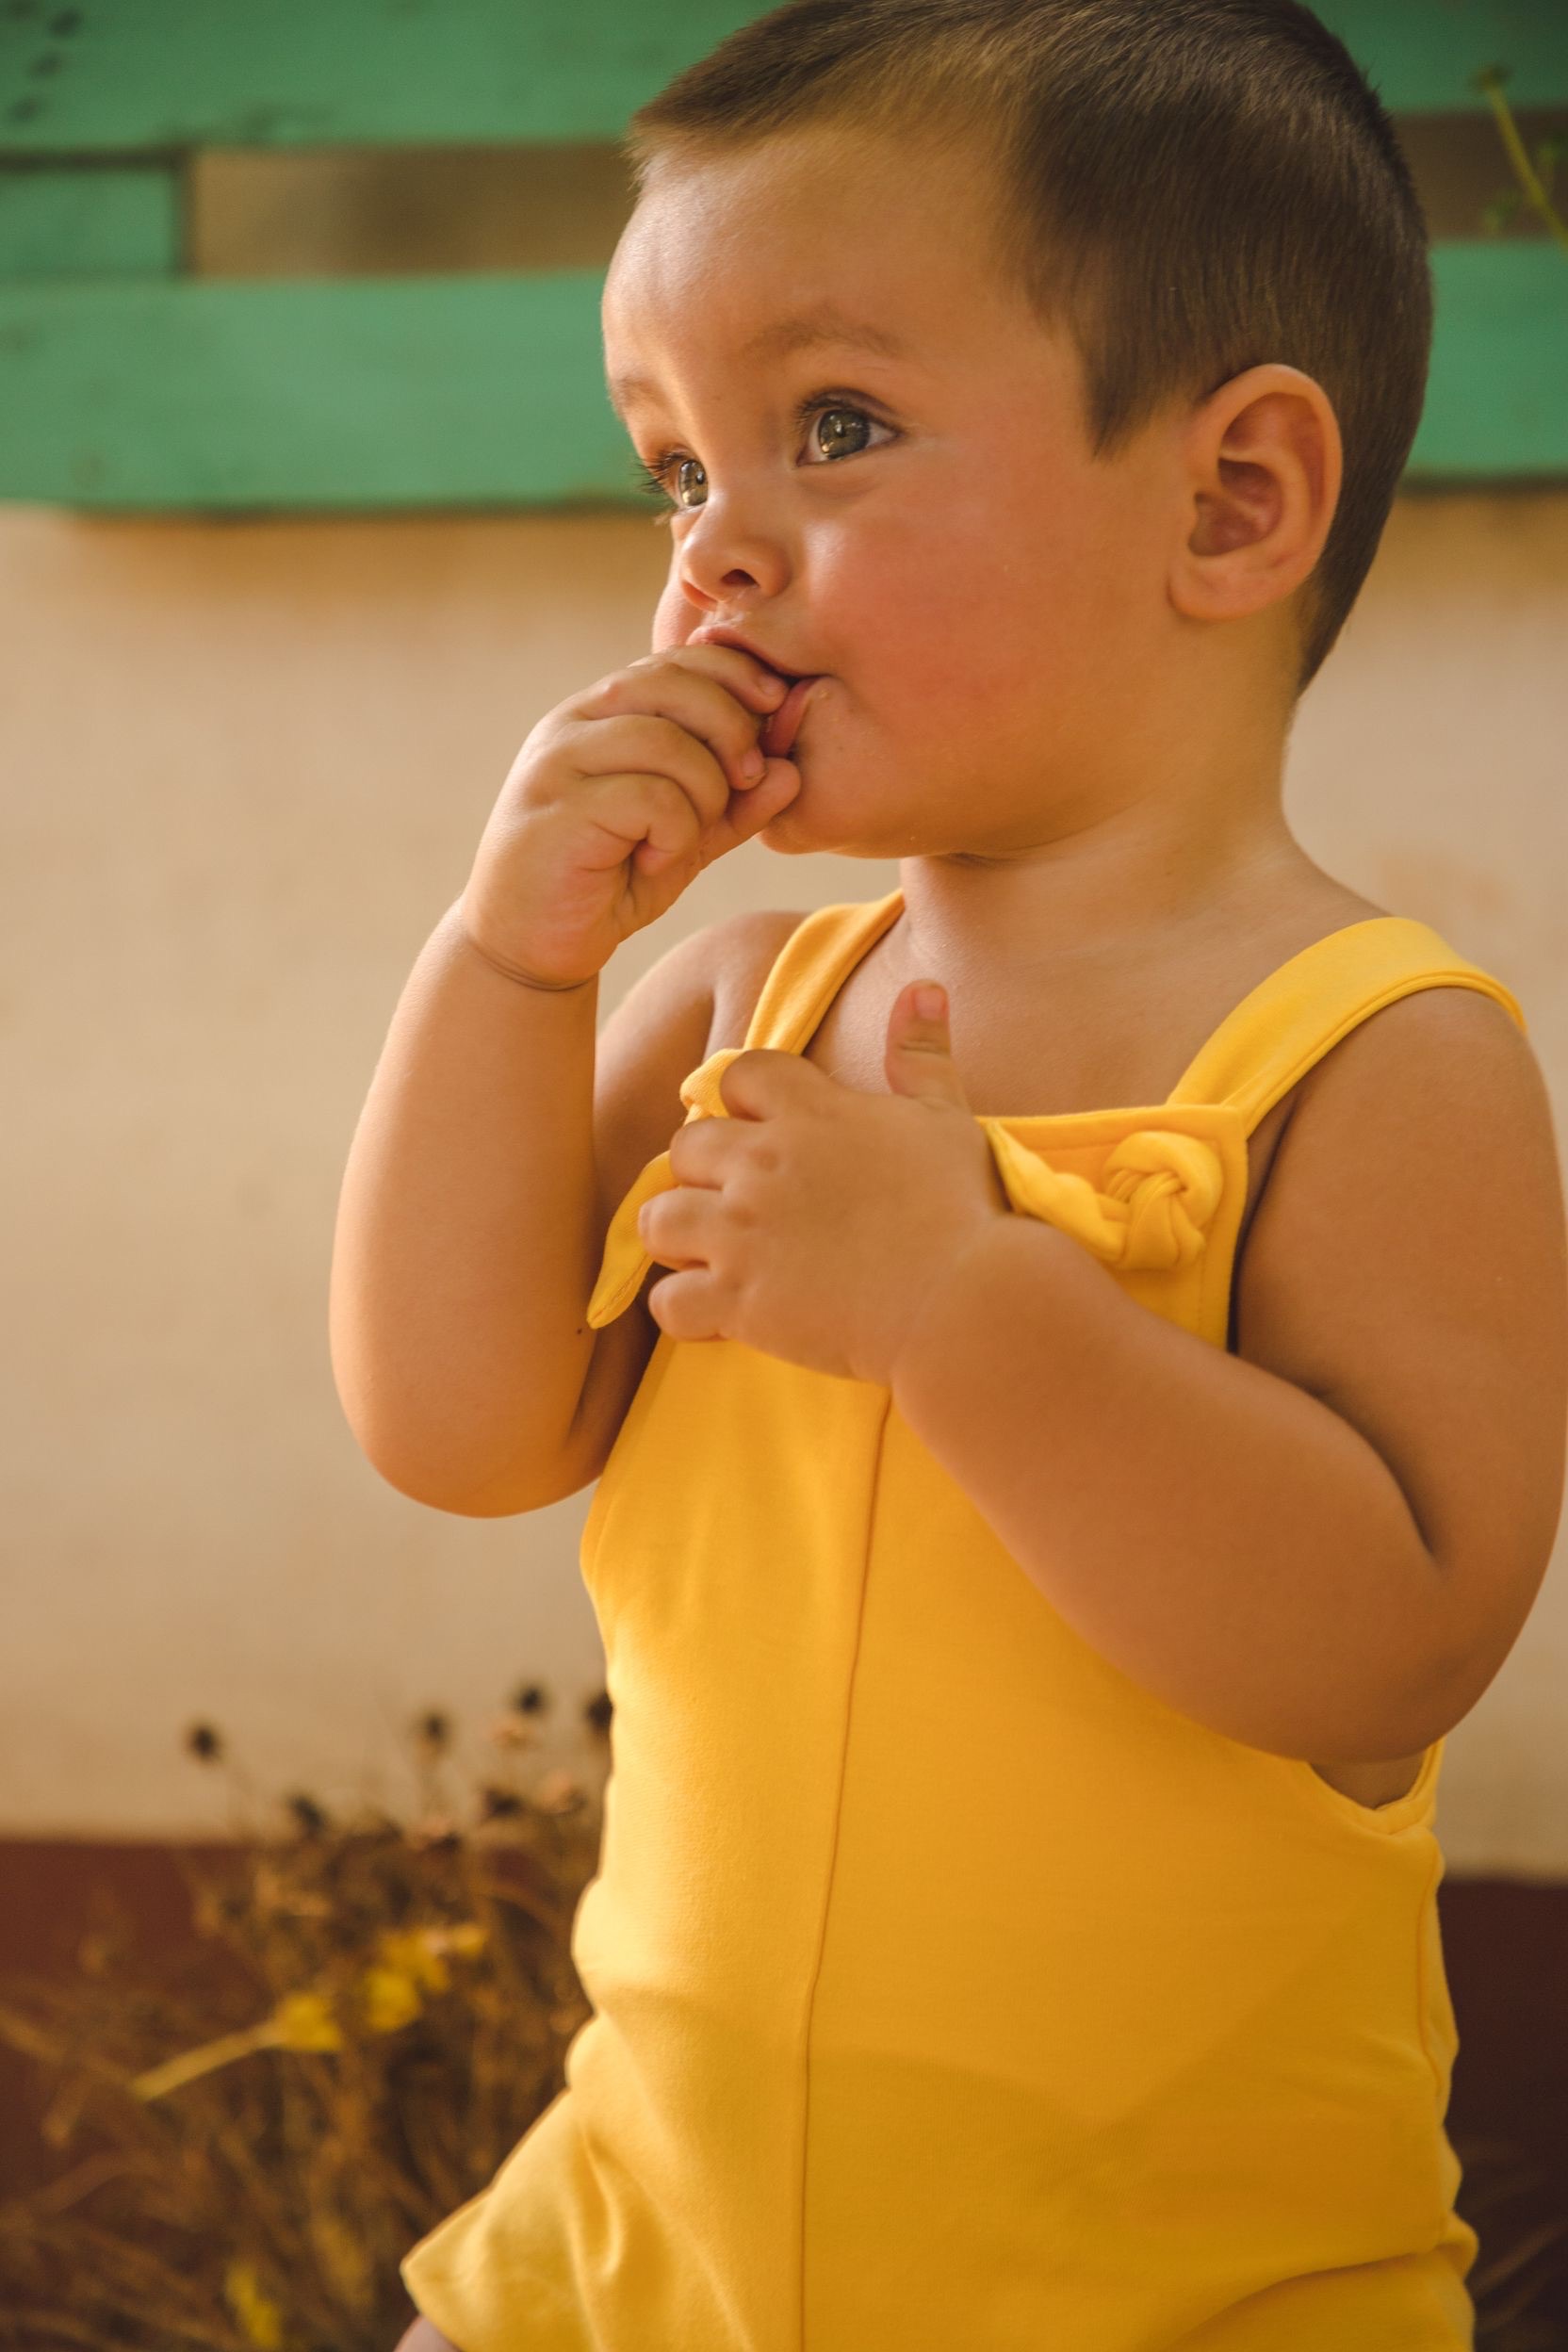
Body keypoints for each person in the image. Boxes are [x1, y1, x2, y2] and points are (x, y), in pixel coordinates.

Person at [333, 2, 1568, 2345]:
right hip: (629, 2253)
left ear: (1230, 502)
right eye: (671, 472)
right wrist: (504, 962)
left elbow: (1393, 1640)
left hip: (1178, 2294)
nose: (712, 561)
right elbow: (454, 1421)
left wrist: (961, 1306)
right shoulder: (733, 1005)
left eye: (834, 430)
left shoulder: (1376, 1057)